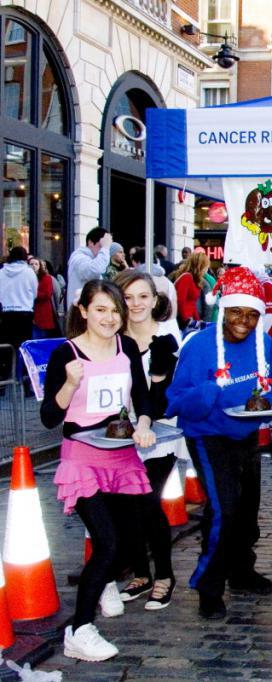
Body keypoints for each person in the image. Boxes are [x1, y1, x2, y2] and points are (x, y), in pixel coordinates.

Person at [40, 280, 157, 662]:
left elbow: (141, 394)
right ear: (84, 311)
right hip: (82, 456)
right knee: (106, 542)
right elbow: (49, 418)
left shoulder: (126, 347)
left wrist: (143, 423)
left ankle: (105, 578)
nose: (109, 318)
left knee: (125, 541)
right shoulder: (67, 354)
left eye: (115, 310)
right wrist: (71, 383)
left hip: (120, 454)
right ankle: (79, 629)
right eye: (101, 309)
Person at [167, 267, 272, 621]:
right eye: (236, 312)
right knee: (224, 511)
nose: (243, 322)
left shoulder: (262, 342)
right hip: (208, 436)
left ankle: (242, 572)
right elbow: (176, 401)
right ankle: (209, 585)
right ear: (223, 310)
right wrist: (213, 392)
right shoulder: (199, 346)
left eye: (251, 314)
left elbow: (271, 385)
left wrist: (267, 404)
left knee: (247, 512)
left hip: (245, 434)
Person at [114, 271, 182, 611]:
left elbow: (161, 398)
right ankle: (140, 573)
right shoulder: (111, 340)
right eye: (128, 297)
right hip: (119, 436)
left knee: (147, 500)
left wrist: (144, 422)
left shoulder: (167, 340)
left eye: (143, 296)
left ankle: (165, 576)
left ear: (155, 300)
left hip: (161, 433)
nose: (136, 304)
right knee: (127, 505)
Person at [0, 247, 39, 379]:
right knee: (25, 349)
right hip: (24, 314)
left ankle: (4, 382)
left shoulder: (2, 273)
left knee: (5, 350)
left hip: (6, 314)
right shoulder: (29, 273)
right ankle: (26, 382)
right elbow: (34, 293)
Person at [66, 227, 112, 312]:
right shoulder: (79, 258)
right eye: (100, 246)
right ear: (90, 242)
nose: (102, 250)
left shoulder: (92, 260)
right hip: (80, 313)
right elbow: (95, 270)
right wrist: (105, 249)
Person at [169, 252, 210, 329]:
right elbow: (180, 301)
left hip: (188, 320)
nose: (206, 270)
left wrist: (197, 320)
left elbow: (192, 303)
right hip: (183, 321)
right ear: (200, 266)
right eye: (205, 267)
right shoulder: (187, 278)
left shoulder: (194, 279)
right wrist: (187, 320)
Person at [30, 256, 60, 338]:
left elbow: (47, 294)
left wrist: (32, 293)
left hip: (42, 313)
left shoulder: (46, 278)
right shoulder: (26, 278)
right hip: (30, 313)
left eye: (36, 264)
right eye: (31, 264)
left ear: (40, 266)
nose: (33, 266)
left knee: (40, 338)